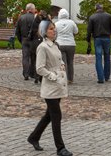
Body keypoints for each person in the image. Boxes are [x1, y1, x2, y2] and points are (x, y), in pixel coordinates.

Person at [28, 20, 72, 156]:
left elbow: (59, 60)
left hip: (58, 85)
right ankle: (60, 148)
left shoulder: (55, 45)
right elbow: (39, 68)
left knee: (49, 115)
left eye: (54, 28)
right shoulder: (43, 47)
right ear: (44, 32)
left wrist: (62, 66)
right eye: (51, 29)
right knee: (56, 115)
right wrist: (52, 76)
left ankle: (34, 137)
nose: (54, 30)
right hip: (50, 87)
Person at [87, 3, 111, 84]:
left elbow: (89, 30)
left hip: (97, 39)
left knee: (98, 58)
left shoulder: (92, 17)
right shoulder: (109, 16)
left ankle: (100, 78)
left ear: (96, 8)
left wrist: (88, 40)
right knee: (107, 57)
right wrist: (110, 33)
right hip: (107, 38)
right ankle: (107, 76)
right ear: (102, 8)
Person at [17, 3, 40, 83]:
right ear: (32, 9)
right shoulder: (35, 18)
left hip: (24, 39)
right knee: (34, 57)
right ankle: (33, 73)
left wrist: (21, 40)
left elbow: (17, 31)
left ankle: (26, 74)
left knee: (25, 57)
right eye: (34, 9)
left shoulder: (21, 18)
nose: (35, 10)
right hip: (33, 40)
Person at [54, 9, 79, 84]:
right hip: (71, 44)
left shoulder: (56, 24)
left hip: (60, 44)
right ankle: (70, 79)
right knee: (70, 62)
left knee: (63, 62)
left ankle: (64, 78)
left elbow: (55, 34)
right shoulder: (72, 22)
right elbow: (76, 31)